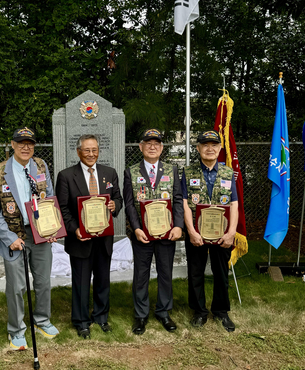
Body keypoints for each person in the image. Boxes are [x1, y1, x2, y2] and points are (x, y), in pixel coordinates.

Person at [0, 127, 59, 350]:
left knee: (43, 281)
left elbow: (50, 198)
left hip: (39, 235)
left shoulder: (41, 166)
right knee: (17, 287)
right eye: (21, 142)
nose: (26, 147)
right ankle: (16, 330)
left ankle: (42, 321)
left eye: (30, 143)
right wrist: (9, 238)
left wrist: (51, 228)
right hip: (14, 237)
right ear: (13, 145)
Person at [56, 134, 123, 339]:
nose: (91, 154)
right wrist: (74, 229)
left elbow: (118, 198)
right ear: (78, 152)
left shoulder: (109, 173)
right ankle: (81, 321)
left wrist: (115, 206)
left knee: (103, 280)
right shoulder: (66, 175)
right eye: (87, 150)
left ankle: (101, 316)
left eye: (94, 150)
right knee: (81, 282)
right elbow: (63, 208)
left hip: (104, 239)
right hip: (80, 239)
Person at [123, 129, 184, 335]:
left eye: (156, 143)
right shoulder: (130, 171)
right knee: (141, 274)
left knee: (165, 272)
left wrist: (178, 226)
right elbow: (130, 204)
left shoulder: (172, 169)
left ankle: (164, 312)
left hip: (167, 233)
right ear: (141, 147)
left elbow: (177, 199)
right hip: (142, 234)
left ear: (162, 148)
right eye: (148, 143)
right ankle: (141, 315)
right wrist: (136, 228)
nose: (152, 146)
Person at [181, 130, 238, 332]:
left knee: (221, 272)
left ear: (220, 149)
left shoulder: (228, 173)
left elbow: (234, 205)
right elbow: (185, 204)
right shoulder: (188, 173)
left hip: (222, 233)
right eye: (205, 145)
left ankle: (221, 311)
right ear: (198, 149)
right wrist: (191, 231)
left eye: (214, 145)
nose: (210, 148)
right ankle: (199, 311)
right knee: (195, 272)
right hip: (197, 233)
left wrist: (231, 232)